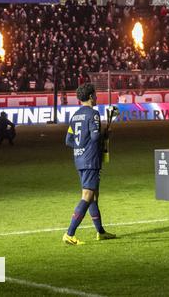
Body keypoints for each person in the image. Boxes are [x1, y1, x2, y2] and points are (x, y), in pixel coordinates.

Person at [63, 83, 115, 245]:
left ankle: (100, 232)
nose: (97, 97)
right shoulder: (93, 114)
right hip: (91, 160)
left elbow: (69, 140)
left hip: (79, 159)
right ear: (91, 96)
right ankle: (69, 234)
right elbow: (94, 137)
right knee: (87, 196)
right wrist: (104, 135)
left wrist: (81, 147)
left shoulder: (75, 115)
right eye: (96, 94)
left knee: (93, 196)